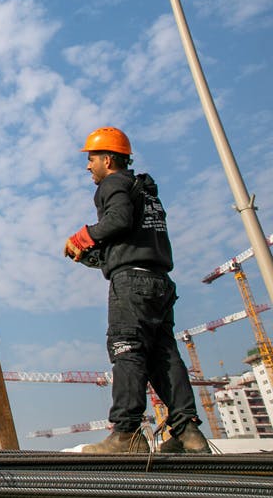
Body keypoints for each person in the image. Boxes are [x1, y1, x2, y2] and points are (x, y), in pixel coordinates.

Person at [63, 126, 208, 454]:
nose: (88, 166)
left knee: (126, 350)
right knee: (163, 354)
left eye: (92, 158)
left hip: (132, 284)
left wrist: (83, 237)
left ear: (109, 159)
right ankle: (188, 433)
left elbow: (118, 221)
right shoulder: (144, 191)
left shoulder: (113, 183)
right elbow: (128, 239)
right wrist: (92, 256)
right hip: (158, 282)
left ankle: (126, 433)